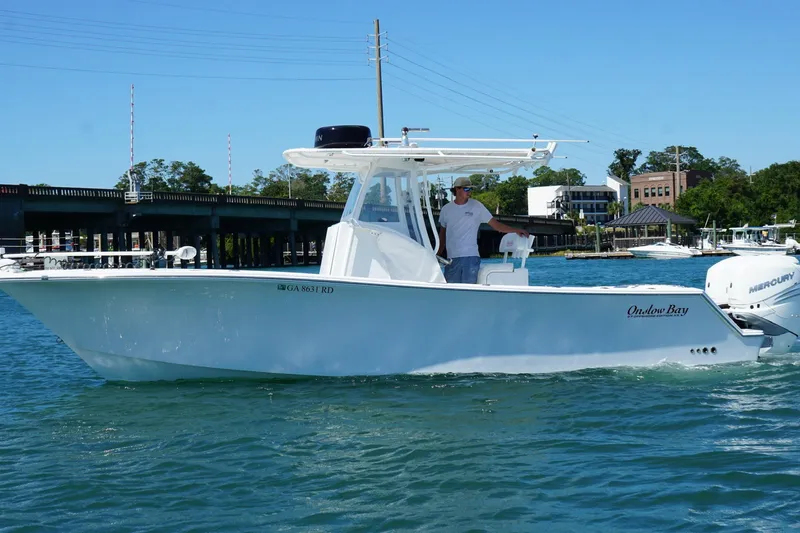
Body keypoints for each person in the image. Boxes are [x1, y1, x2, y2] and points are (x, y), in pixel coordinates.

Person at [436, 177, 530, 284]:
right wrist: (437, 254)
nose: (469, 192)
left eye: (471, 189)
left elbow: (496, 225)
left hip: (471, 257)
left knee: (469, 290)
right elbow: (442, 235)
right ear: (457, 189)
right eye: (466, 189)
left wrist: (515, 230)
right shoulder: (446, 209)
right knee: (451, 290)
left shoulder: (477, 206)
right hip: (451, 259)